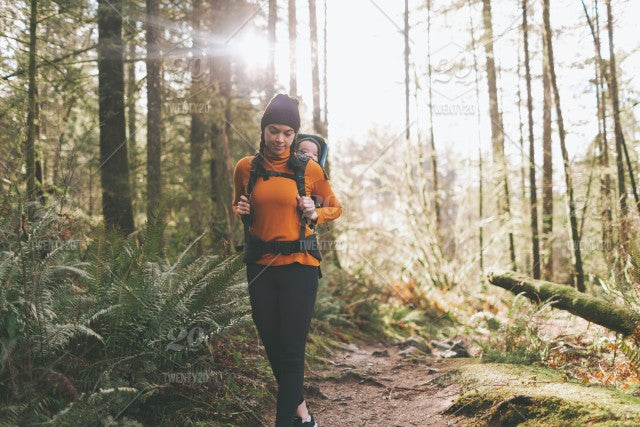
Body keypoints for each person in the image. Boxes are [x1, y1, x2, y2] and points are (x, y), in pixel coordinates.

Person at [232, 94, 342, 427]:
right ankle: (304, 416)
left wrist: (315, 211)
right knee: (273, 346)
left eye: (288, 133)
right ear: (263, 130)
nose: (280, 139)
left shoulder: (310, 169)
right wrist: (241, 212)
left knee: (292, 351)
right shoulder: (245, 168)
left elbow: (335, 207)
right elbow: (246, 212)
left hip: (300, 267)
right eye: (274, 131)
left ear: (295, 136)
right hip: (260, 267)